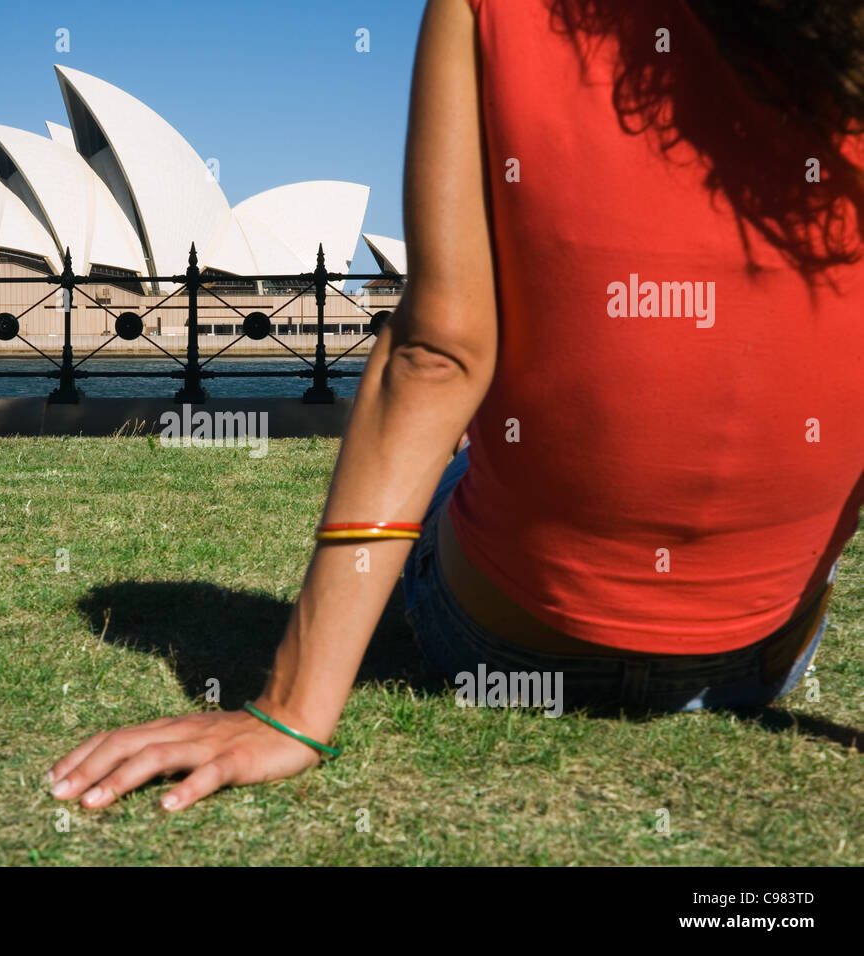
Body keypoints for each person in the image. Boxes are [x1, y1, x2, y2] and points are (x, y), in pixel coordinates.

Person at [47, 0, 864, 811]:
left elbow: (436, 356)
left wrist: (291, 712)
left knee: (474, 464)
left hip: (504, 644)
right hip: (753, 658)